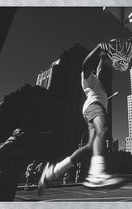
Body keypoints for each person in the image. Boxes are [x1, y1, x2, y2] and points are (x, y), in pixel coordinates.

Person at [38, 42, 125, 194]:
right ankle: (97, 174)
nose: (101, 70)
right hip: (94, 105)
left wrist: (104, 56)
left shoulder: (98, 82)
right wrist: (98, 48)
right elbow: (85, 64)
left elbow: (101, 67)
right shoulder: (88, 78)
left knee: (91, 146)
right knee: (102, 131)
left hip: (94, 107)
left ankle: (53, 172)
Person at [0, 128, 29, 201]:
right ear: (14, 133)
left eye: (23, 132)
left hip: (13, 174)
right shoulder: (8, 143)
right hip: (5, 173)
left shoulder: (20, 145)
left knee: (9, 196)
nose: (22, 133)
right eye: (20, 132)